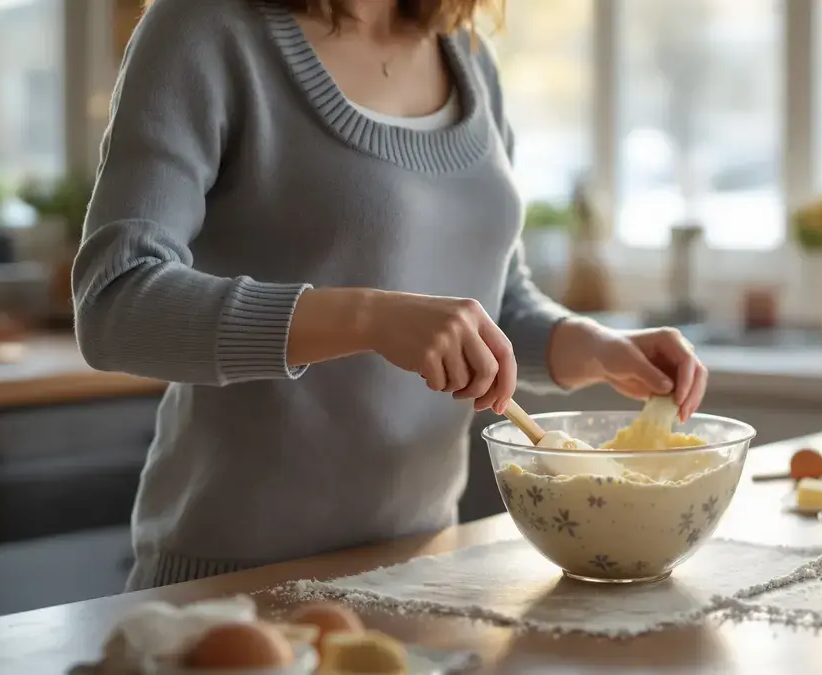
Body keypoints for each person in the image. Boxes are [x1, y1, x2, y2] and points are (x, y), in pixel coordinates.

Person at [73, 0, 708, 591]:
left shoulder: (465, 54)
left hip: (421, 573)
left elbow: (494, 303)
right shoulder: (203, 28)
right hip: (235, 582)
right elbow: (115, 301)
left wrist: (598, 348)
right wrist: (371, 316)